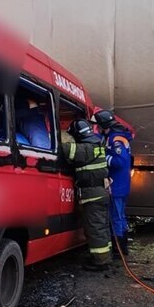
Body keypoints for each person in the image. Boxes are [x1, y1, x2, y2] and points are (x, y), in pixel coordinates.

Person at [61, 119, 112, 270]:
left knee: (95, 228)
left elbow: (64, 150)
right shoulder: (96, 145)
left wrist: (60, 136)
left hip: (92, 195)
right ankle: (105, 257)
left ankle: (100, 261)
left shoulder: (85, 149)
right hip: (100, 193)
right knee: (102, 227)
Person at [94, 110, 133, 256]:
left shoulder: (116, 139)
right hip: (122, 184)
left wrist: (103, 158)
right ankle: (123, 248)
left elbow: (119, 161)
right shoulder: (117, 135)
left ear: (104, 126)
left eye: (99, 126)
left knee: (116, 217)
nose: (98, 129)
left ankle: (118, 250)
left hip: (116, 185)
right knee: (121, 216)